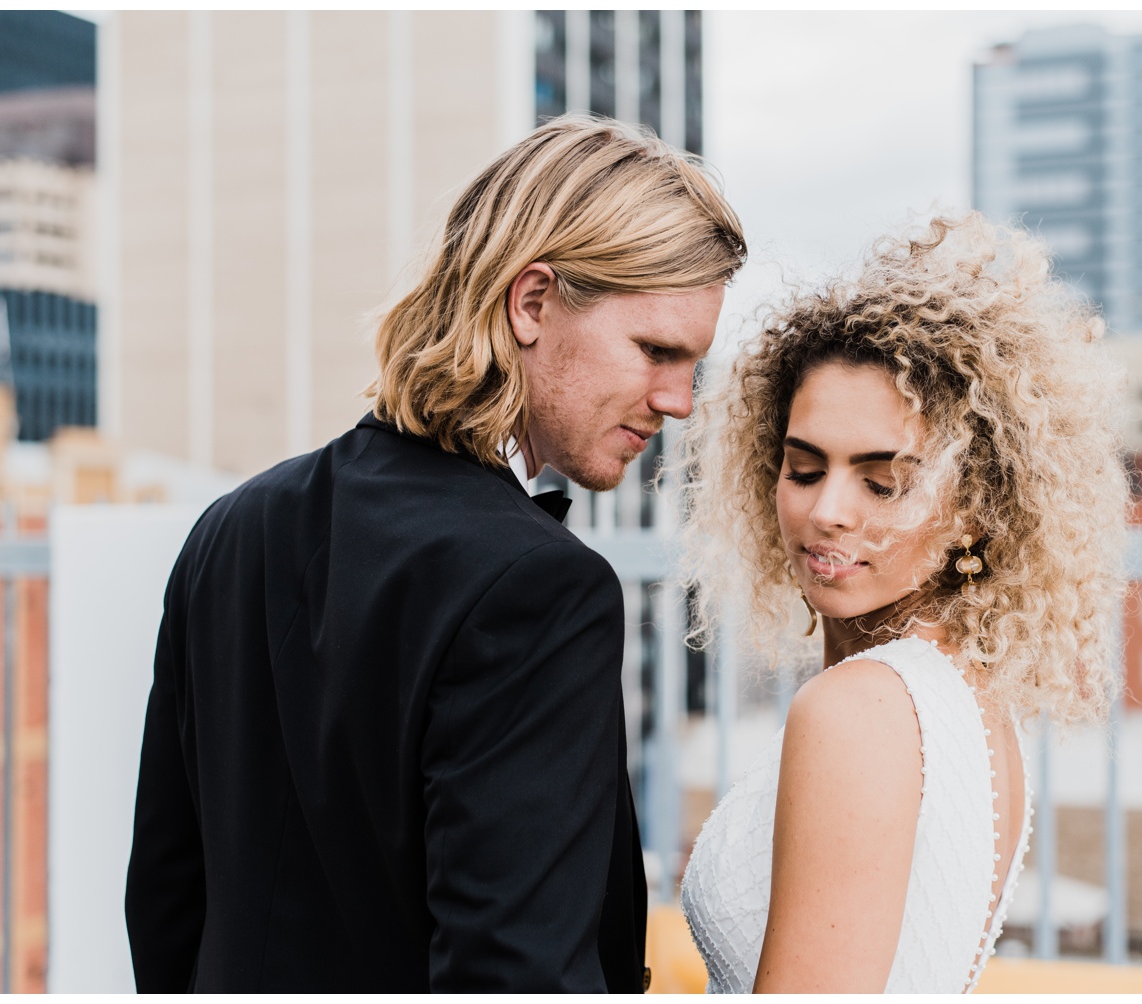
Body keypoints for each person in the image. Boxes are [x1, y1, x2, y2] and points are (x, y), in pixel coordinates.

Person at [124, 116, 746, 992]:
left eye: (693, 365)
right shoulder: (542, 589)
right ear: (531, 303)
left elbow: (165, 904)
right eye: (655, 351)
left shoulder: (232, 527)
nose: (679, 401)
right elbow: (513, 973)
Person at [674, 214, 1128, 992]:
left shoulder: (859, 710)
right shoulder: (970, 702)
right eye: (805, 469)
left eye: (885, 482)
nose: (828, 512)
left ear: (978, 506)